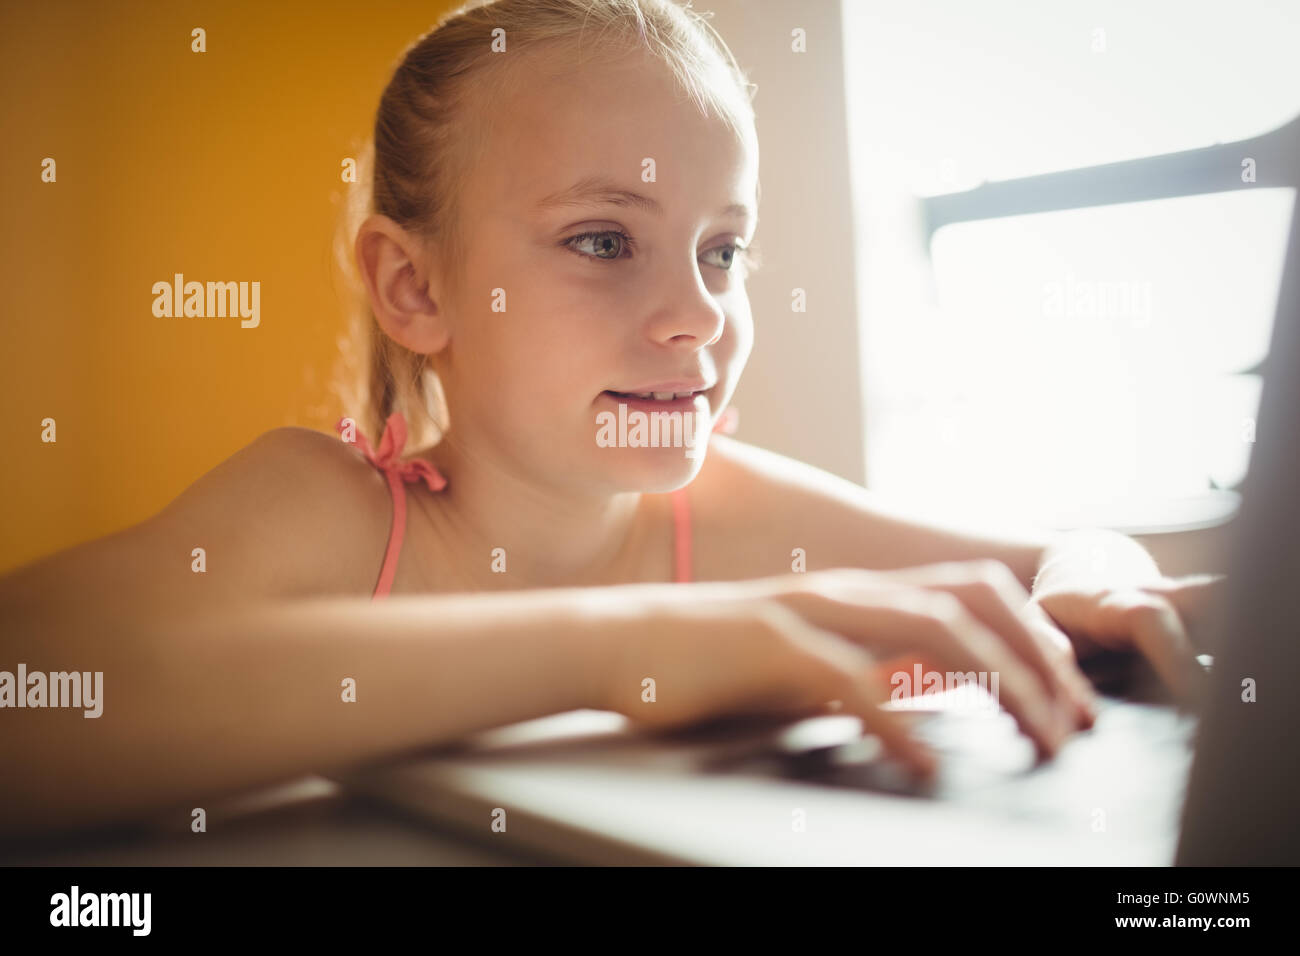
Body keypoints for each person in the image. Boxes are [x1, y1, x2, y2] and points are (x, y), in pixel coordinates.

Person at [0, 0, 1222, 838]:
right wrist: (618, 646)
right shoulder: (327, 508)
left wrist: (1095, 582)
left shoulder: (729, 516)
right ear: (415, 287)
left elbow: (1052, 558)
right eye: (603, 240)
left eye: (723, 250)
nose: (696, 313)